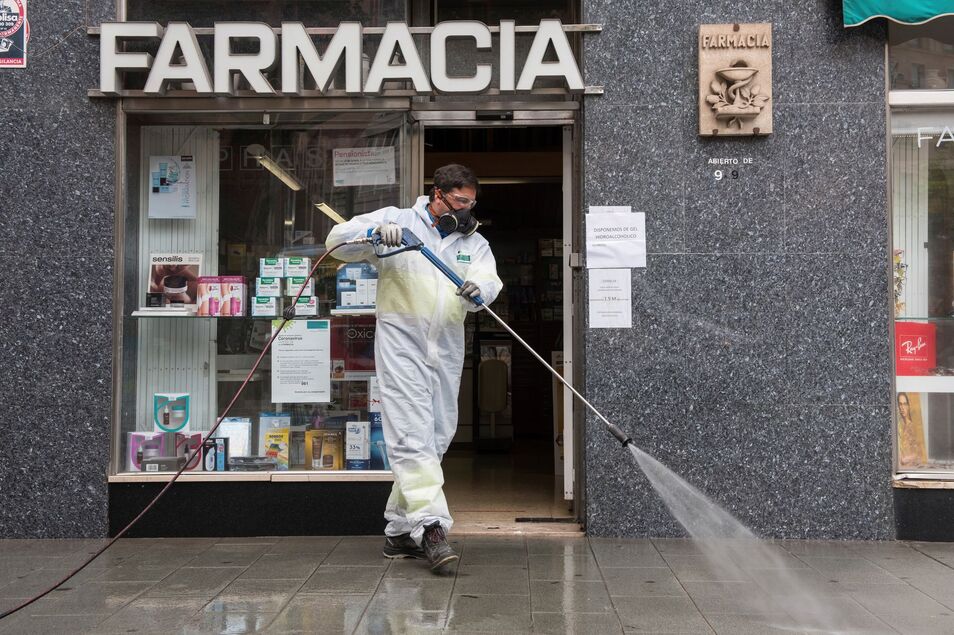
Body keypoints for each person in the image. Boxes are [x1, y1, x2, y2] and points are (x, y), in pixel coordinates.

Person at [326, 164, 502, 572]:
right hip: (401, 343)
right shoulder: (396, 222)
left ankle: (399, 532)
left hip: (446, 345)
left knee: (438, 434)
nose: (465, 210)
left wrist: (481, 290)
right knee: (410, 435)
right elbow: (336, 244)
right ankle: (432, 528)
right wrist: (371, 236)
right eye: (460, 201)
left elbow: (488, 279)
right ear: (437, 195)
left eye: (471, 203)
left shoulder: (471, 241)